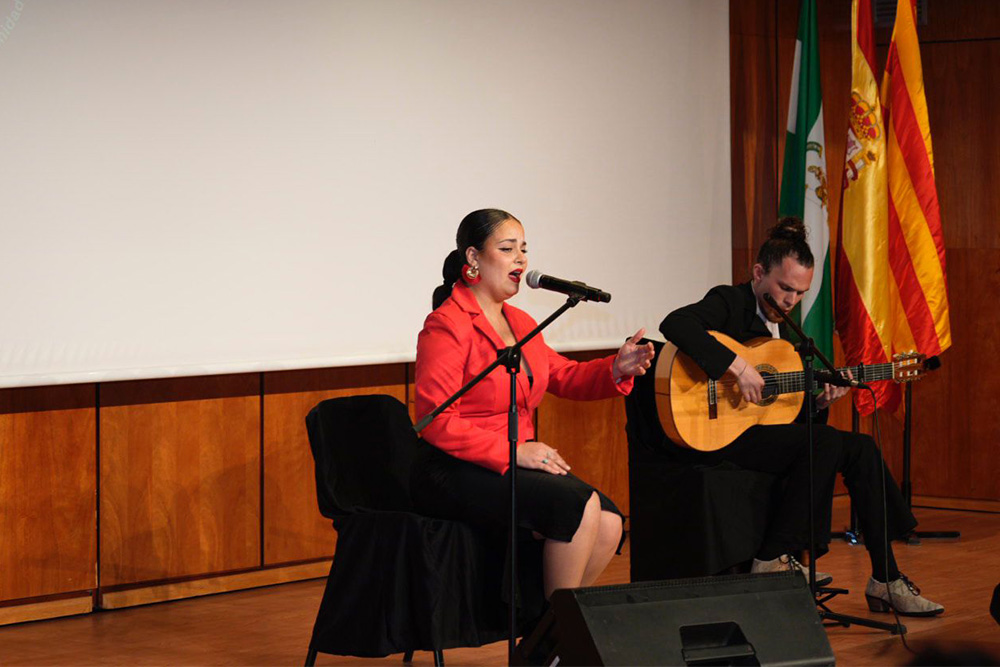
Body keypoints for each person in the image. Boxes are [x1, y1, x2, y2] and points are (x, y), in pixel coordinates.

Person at [658, 218, 943, 617]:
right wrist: (737, 367)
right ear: (759, 273)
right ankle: (772, 557)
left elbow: (786, 413)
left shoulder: (789, 336)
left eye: (800, 293)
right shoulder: (730, 301)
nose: (791, 300)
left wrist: (822, 403)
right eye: (784, 288)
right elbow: (675, 324)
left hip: (758, 432)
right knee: (823, 442)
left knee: (860, 447)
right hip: (717, 432)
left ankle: (886, 578)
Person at [413, 208, 655, 604]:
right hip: (455, 466)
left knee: (610, 523)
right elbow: (434, 421)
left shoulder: (522, 322)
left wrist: (615, 367)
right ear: (473, 258)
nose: (522, 260)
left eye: (524, 249)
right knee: (581, 507)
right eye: (508, 249)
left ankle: (547, 635)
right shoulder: (446, 324)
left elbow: (562, 375)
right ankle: (558, 638)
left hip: (515, 460)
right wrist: (514, 451)